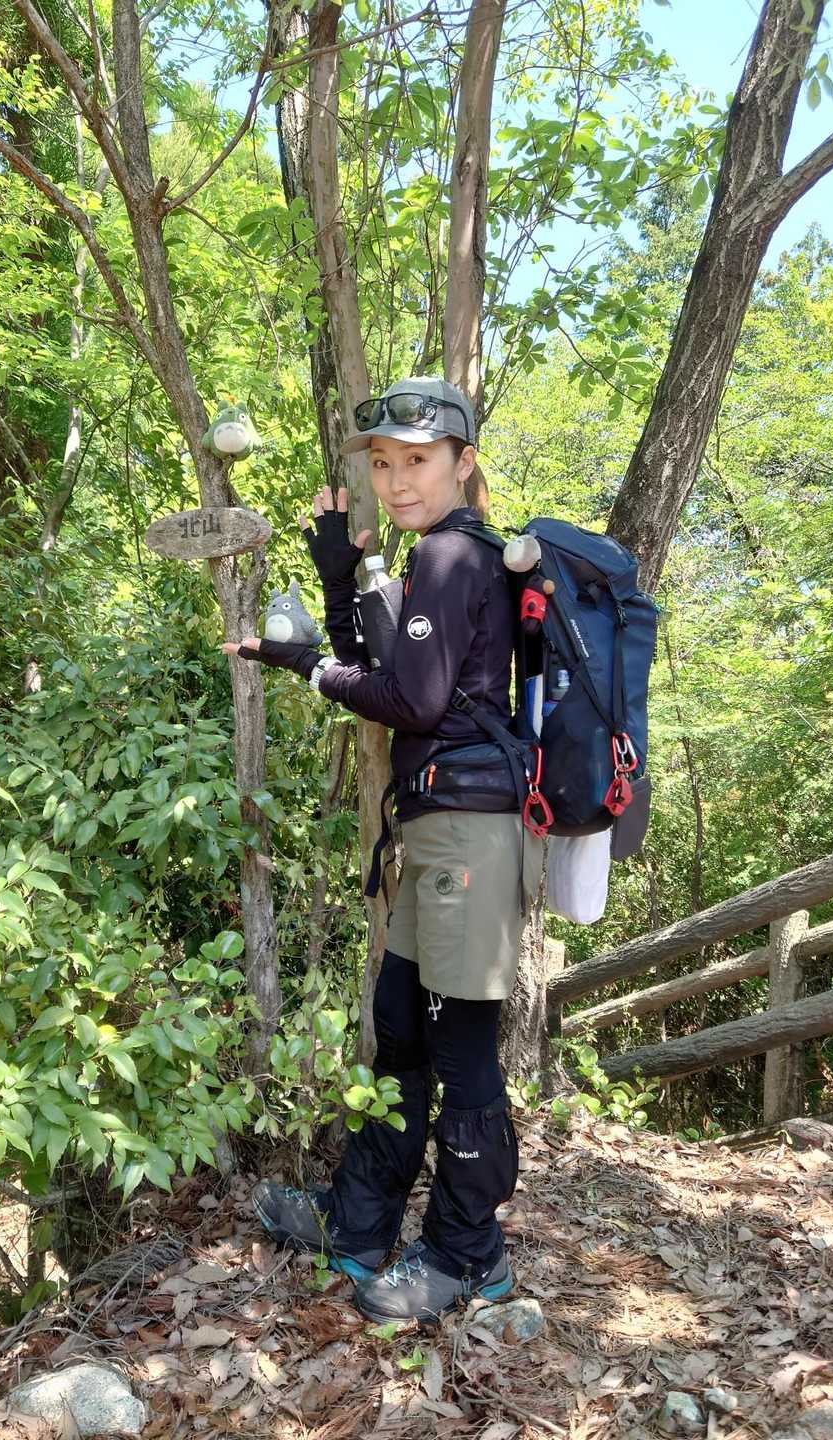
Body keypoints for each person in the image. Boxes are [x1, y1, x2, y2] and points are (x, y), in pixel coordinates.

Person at [221, 376, 542, 1325]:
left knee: (460, 1048)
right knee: (400, 1023)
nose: (399, 481)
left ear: (463, 463)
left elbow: (409, 701)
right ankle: (357, 1224)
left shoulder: (451, 554)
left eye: (419, 461)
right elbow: (386, 667)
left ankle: (469, 1256)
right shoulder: (437, 557)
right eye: (385, 464)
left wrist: (310, 667)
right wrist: (336, 580)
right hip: (438, 832)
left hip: (470, 838)